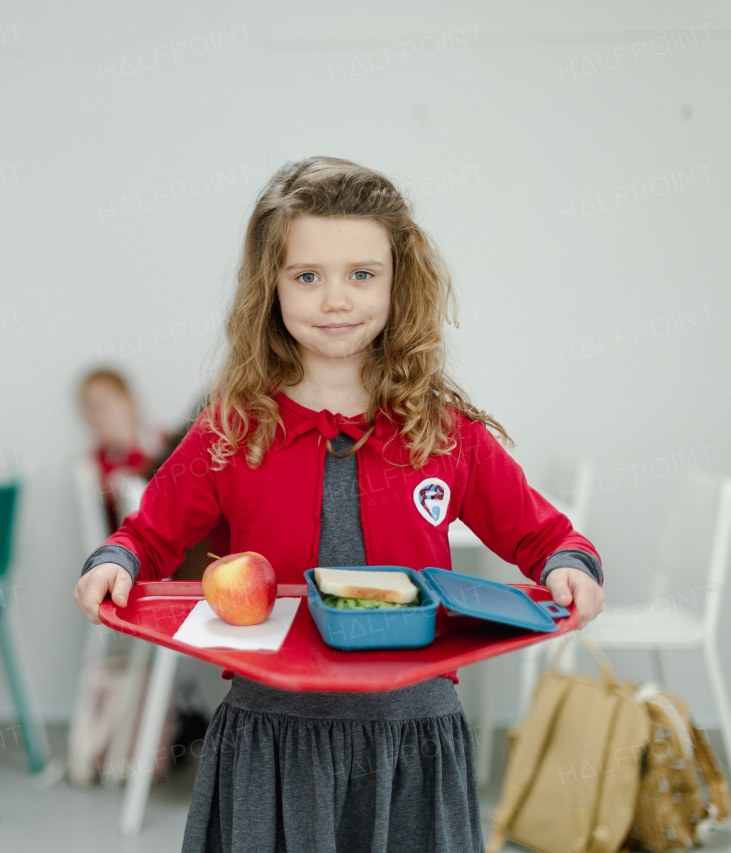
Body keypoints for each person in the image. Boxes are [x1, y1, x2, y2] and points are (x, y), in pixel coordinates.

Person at [74, 157, 606, 853]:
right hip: (272, 735)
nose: (335, 299)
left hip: (411, 735)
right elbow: (146, 536)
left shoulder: (445, 431)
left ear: (397, 282)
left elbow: (549, 537)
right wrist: (114, 559)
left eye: (361, 274)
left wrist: (572, 565)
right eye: (307, 276)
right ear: (270, 287)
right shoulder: (231, 429)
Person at [78, 369, 164, 530]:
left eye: (101, 406)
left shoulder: (159, 441)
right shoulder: (96, 465)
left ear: (129, 403)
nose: (96, 417)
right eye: (89, 409)